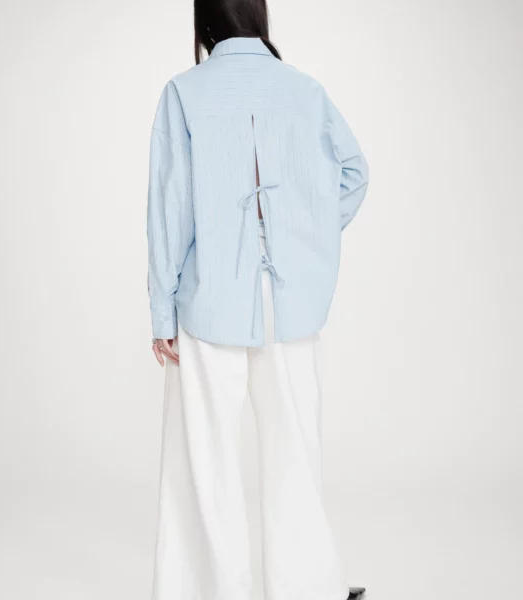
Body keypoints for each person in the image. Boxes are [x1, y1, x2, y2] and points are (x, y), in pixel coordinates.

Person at [146, 0, 369, 598]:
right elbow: (354, 172)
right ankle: (308, 590)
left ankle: (208, 592)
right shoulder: (303, 90)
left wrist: (162, 310)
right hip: (292, 305)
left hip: (207, 303)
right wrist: (304, 237)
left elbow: (169, 210)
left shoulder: (184, 93)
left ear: (206, 21)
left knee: (205, 461)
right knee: (296, 452)